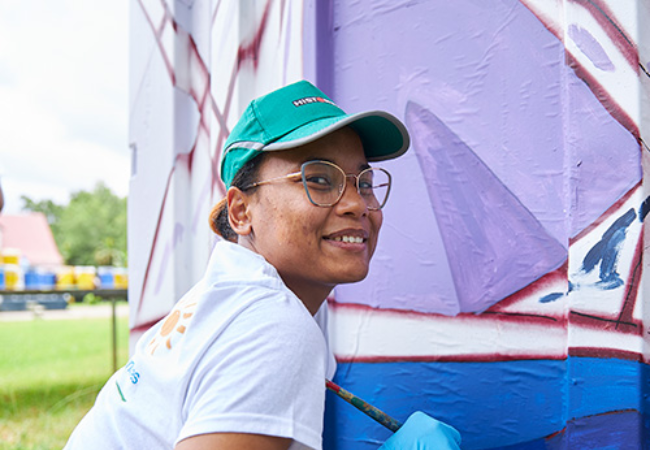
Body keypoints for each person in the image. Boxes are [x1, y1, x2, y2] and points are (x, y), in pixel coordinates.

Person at [64, 80, 461, 450]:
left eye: (365, 182)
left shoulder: (224, 303)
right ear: (240, 211)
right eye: (319, 179)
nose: (357, 203)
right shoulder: (274, 327)